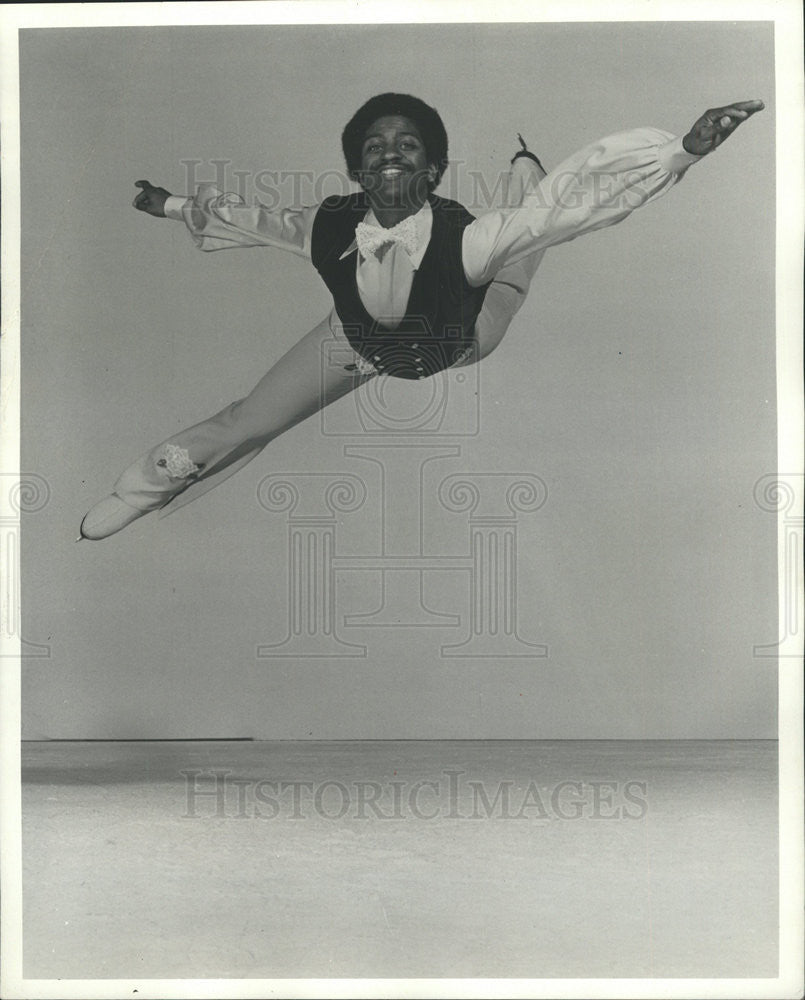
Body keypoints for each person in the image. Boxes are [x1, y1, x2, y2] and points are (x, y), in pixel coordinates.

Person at [79, 92, 763, 540]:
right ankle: (142, 487)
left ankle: (526, 170)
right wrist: (169, 205)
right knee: (249, 418)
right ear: (356, 168)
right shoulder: (324, 224)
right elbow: (254, 219)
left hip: (461, 335)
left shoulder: (466, 238)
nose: (387, 153)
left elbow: (578, 205)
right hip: (353, 339)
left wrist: (682, 150)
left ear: (432, 170)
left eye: (406, 145)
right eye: (374, 146)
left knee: (528, 244)